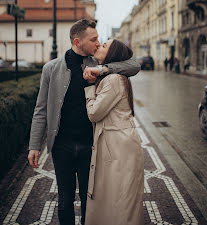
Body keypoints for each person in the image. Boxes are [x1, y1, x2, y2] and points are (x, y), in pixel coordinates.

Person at [28, 19, 140, 225]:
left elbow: (134, 65)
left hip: (92, 145)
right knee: (64, 200)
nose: (98, 43)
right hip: (62, 146)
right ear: (78, 42)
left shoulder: (98, 64)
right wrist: (34, 146)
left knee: (91, 201)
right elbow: (41, 110)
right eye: (94, 39)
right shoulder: (51, 69)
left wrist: (102, 70)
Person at [84, 39, 144, 225]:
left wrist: (89, 90)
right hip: (117, 143)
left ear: (112, 55)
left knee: (120, 200)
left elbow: (94, 114)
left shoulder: (114, 79)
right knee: (117, 197)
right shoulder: (113, 76)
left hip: (118, 145)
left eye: (103, 45)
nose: (98, 45)